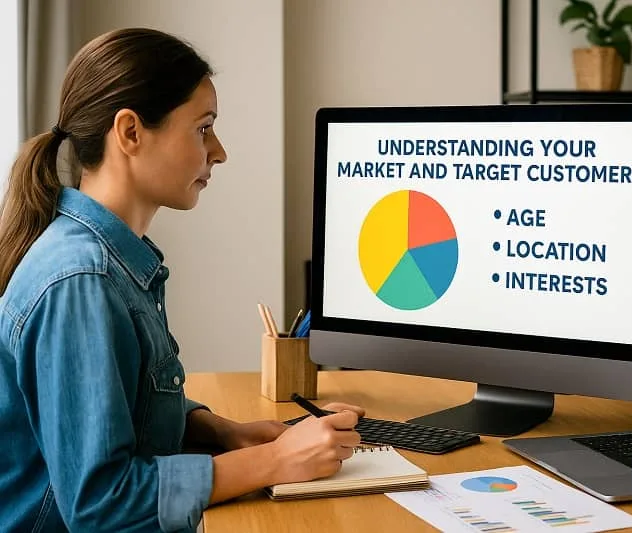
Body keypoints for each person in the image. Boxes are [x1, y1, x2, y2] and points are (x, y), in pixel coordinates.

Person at [0, 27, 364, 533]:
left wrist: (223, 431)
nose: (219, 151)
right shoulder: (81, 281)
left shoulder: (110, 262)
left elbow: (122, 408)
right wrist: (275, 461)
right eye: (203, 128)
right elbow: (101, 505)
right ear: (130, 133)